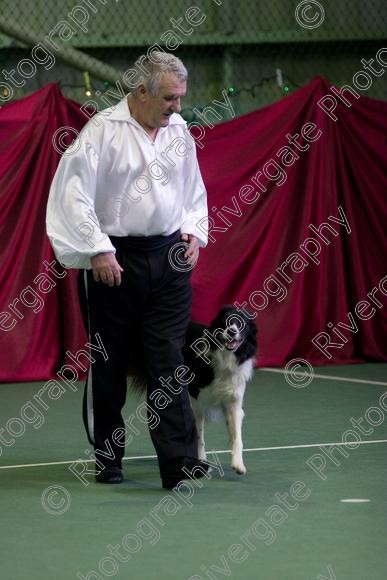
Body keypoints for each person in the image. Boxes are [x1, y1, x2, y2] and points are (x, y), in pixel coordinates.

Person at [46, 51, 210, 489]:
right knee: (110, 360)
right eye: (170, 99)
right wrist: (97, 249)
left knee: (168, 358)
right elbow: (73, 195)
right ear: (141, 92)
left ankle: (178, 460)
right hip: (112, 260)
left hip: (169, 258)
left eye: (180, 98)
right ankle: (108, 457)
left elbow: (193, 190)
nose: (178, 107)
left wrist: (194, 230)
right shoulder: (101, 131)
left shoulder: (179, 132)